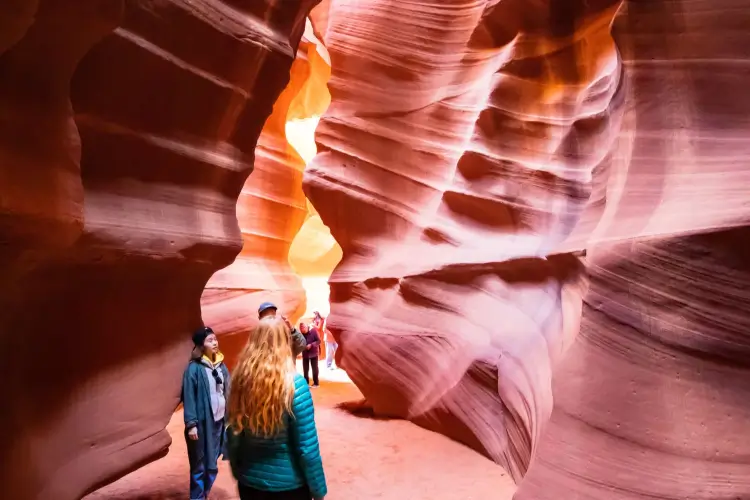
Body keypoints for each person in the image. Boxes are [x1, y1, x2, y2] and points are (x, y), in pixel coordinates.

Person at [227, 318, 328, 500]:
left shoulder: (240, 381)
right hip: (289, 486)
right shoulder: (295, 385)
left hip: (250, 482)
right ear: (284, 343)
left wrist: (237, 469)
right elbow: (307, 448)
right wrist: (319, 491)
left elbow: (233, 434)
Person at [182, 326, 231, 500]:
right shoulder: (194, 369)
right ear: (201, 346)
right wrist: (191, 424)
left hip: (218, 422)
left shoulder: (221, 366)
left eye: (215, 339)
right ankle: (198, 497)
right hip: (201, 425)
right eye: (210, 340)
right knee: (199, 464)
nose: (215, 343)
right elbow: (189, 397)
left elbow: (227, 391)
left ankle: (204, 494)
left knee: (212, 464)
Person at [299, 323, 321, 387]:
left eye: (303, 328)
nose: (302, 330)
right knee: (305, 369)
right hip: (305, 354)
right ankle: (306, 383)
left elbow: (319, 341)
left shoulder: (313, 331)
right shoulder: (301, 334)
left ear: (307, 327)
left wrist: (311, 345)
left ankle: (316, 383)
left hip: (314, 353)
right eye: (301, 329)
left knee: (315, 369)